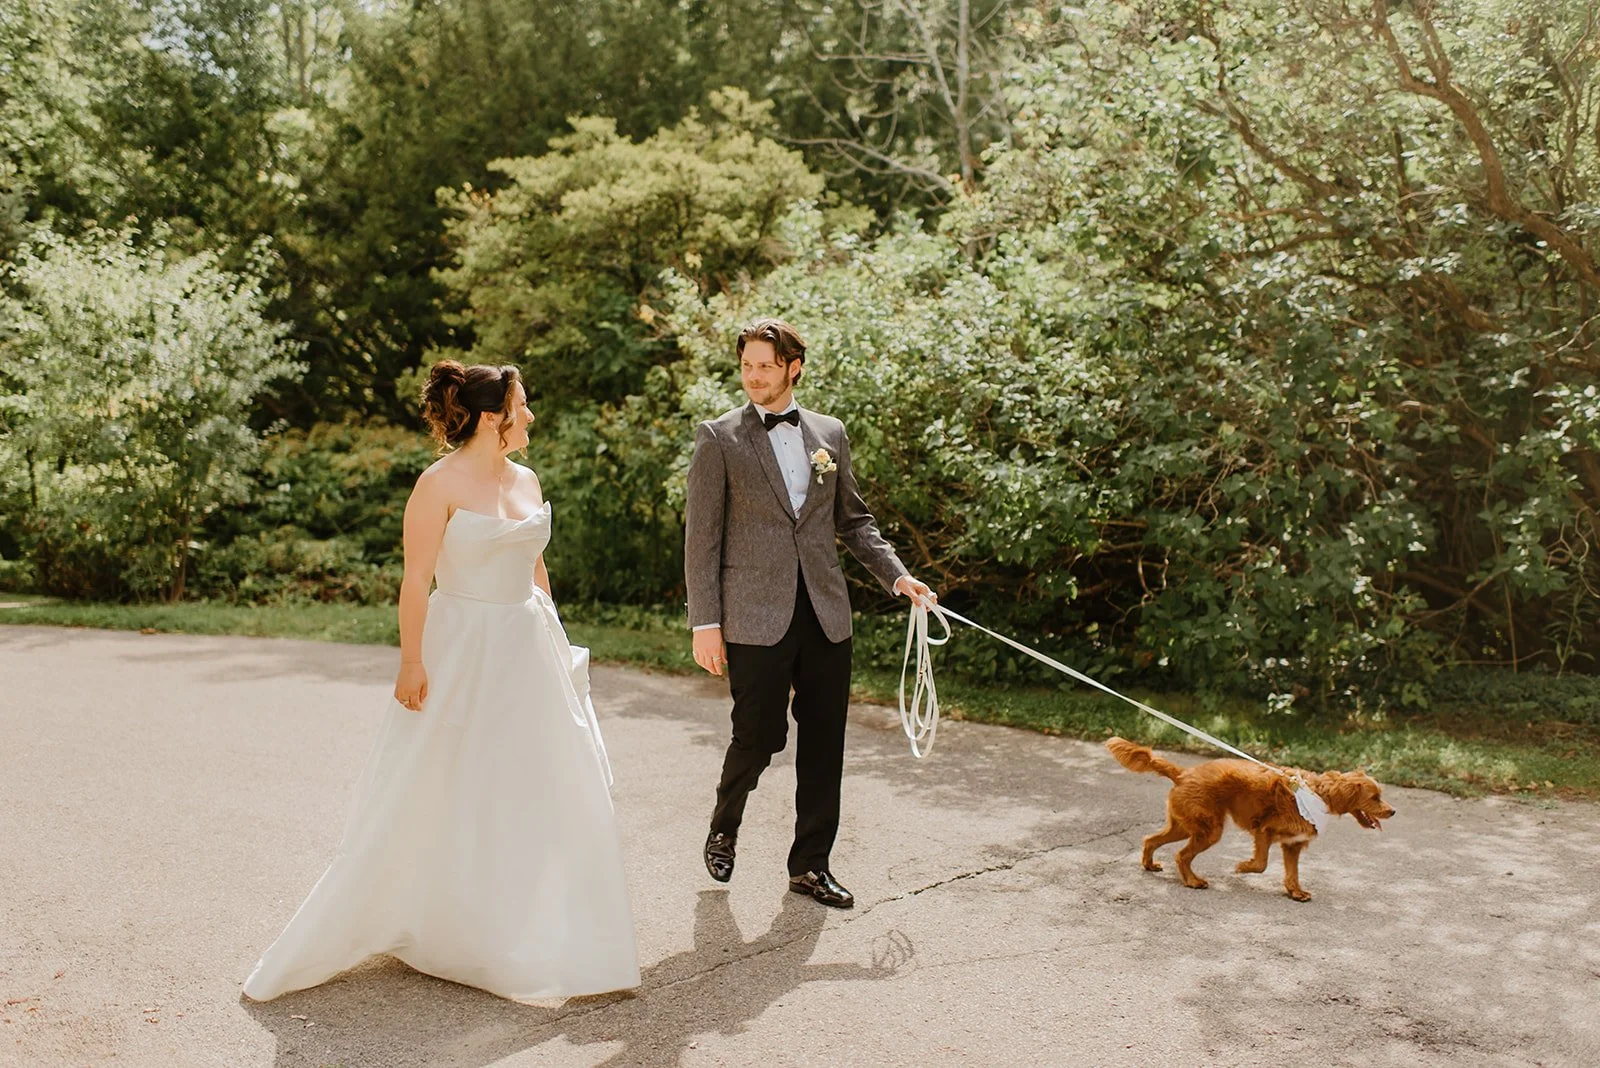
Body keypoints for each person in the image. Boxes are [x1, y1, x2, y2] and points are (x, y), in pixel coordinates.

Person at [243, 361, 639, 1002]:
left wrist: (559, 643)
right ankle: (431, 918)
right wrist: (411, 660)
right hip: (463, 647)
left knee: (539, 784)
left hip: (527, 646)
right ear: (493, 418)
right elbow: (415, 579)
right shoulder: (437, 484)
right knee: (442, 779)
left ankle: (527, 925)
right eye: (523, 405)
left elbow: (535, 569)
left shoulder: (526, 478)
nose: (531, 415)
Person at [684, 318, 936, 909]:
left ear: (793, 368)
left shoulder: (830, 433)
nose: (753, 376)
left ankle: (810, 866)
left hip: (825, 612)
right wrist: (705, 622)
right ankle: (725, 825)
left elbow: (854, 521)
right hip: (752, 617)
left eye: (765, 366)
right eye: (747, 365)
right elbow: (702, 539)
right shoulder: (719, 437)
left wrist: (898, 576)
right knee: (760, 736)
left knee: (825, 744)